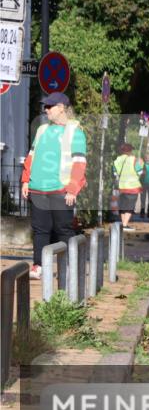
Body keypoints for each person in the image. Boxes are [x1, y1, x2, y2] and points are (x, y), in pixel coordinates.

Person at [21, 92, 88, 279]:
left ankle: (67, 267)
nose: (46, 110)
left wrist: (73, 189)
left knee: (63, 230)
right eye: (45, 106)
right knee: (40, 230)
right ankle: (38, 266)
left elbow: (79, 163)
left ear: (61, 108)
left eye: (49, 107)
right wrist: (26, 180)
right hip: (38, 188)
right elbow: (31, 156)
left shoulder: (75, 131)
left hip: (61, 190)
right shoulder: (42, 130)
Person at [113, 143, 144, 231]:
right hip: (132, 187)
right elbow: (140, 172)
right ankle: (125, 225)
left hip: (121, 187)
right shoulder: (134, 160)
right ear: (130, 151)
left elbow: (115, 173)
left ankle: (123, 224)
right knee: (130, 207)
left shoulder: (117, 160)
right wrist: (141, 164)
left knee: (123, 207)